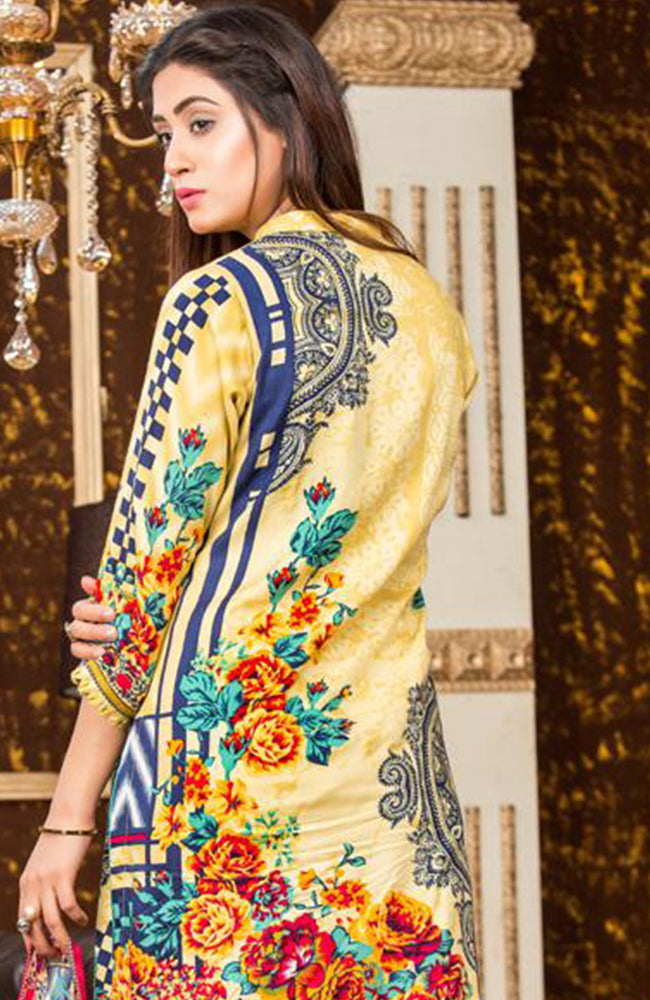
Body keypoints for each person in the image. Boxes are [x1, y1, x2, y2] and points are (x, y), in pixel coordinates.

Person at [18, 3, 482, 998]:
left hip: (223, 806)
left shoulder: (219, 299)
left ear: (287, 117)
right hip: (395, 812)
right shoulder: (429, 309)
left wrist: (66, 821)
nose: (173, 162)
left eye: (201, 122)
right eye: (163, 133)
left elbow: (139, 589)